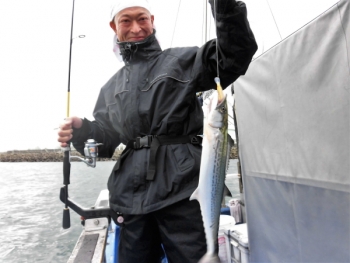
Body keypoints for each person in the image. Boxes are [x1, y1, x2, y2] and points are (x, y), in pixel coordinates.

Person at [58, 0, 257, 262]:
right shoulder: (111, 87)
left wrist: (223, 5)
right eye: (125, 21)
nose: (136, 27)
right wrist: (81, 129)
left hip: (182, 189)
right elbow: (105, 140)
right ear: (114, 26)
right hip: (131, 196)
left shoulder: (185, 60)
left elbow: (234, 53)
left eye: (142, 19)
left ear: (152, 20)